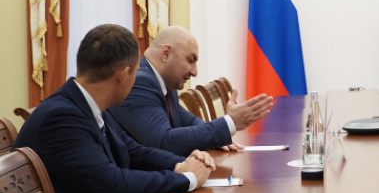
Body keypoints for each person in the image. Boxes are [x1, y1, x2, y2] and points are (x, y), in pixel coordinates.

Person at [14, 24, 215, 193]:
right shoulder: (61, 117)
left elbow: (135, 152)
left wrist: (183, 163)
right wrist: (186, 178)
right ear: (124, 75)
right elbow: (114, 183)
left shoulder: (93, 103)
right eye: (136, 72)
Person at [111, 26, 274, 156]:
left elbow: (186, 120)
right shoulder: (140, 82)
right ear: (166, 54)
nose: (195, 72)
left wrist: (218, 136)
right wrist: (230, 123)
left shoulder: (164, 81)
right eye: (190, 61)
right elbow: (164, 142)